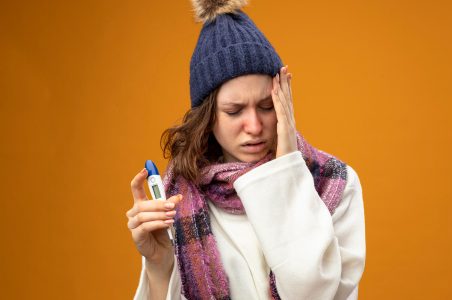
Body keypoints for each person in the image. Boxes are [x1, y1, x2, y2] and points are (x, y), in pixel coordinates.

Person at [126, 1, 366, 299]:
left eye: (267, 106)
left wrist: (288, 167)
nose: (254, 126)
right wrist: (159, 265)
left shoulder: (335, 183)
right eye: (234, 111)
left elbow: (313, 292)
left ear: (284, 103)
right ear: (208, 117)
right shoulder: (178, 199)